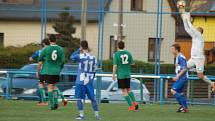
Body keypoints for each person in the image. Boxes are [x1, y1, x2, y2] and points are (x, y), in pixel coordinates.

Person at [178, 6, 215, 92]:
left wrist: (187, 18)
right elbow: (187, 29)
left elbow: (192, 28)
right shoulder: (194, 36)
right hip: (193, 58)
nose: (196, 30)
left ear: (200, 32)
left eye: (197, 29)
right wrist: (184, 19)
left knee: (200, 76)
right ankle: (192, 69)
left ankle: (212, 83)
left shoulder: (199, 36)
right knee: (183, 67)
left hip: (199, 59)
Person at [70, 40, 100, 120]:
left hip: (81, 79)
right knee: (92, 98)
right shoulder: (93, 58)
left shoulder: (80, 55)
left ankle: (81, 115)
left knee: (79, 98)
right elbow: (95, 70)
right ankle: (97, 115)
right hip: (89, 80)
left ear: (81, 47)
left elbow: (71, 56)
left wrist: (78, 50)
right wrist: (91, 78)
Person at [38, 34, 65, 110]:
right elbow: (63, 61)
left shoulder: (46, 49)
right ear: (56, 40)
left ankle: (51, 104)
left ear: (49, 40)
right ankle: (56, 103)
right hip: (56, 71)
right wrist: (60, 68)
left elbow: (40, 59)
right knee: (53, 86)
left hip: (46, 71)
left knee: (44, 85)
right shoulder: (61, 49)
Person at [112, 41, 139, 111]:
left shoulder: (116, 54)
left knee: (124, 91)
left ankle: (131, 106)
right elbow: (133, 64)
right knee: (129, 89)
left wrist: (113, 75)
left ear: (118, 47)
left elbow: (115, 65)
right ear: (124, 46)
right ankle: (135, 102)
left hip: (121, 75)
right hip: (127, 74)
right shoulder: (128, 53)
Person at [171, 44, 189, 113]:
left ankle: (184, 107)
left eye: (172, 49)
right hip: (181, 78)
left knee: (173, 90)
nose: (171, 51)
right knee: (180, 93)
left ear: (176, 50)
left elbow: (184, 69)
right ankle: (183, 107)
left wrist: (178, 76)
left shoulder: (180, 57)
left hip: (182, 78)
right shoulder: (178, 56)